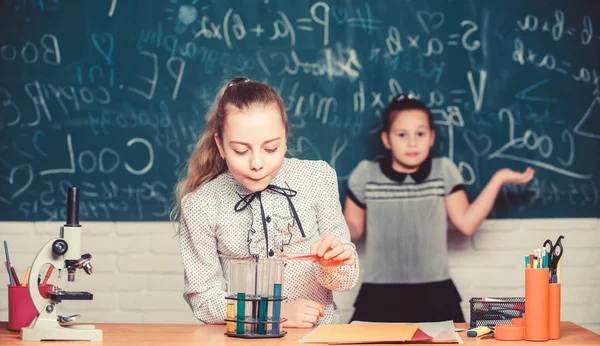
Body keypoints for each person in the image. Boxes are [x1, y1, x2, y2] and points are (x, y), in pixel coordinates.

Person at [173, 77, 359, 328]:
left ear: (285, 139)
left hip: (317, 338)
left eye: (270, 148)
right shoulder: (201, 204)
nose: (257, 164)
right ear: (220, 145)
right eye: (241, 151)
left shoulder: (318, 178)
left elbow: (345, 282)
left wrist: (334, 264)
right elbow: (202, 299)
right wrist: (272, 314)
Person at [344, 94, 535, 323]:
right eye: (402, 134)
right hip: (379, 294)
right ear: (386, 139)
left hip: (436, 294)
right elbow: (353, 230)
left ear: (432, 137)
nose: (412, 143)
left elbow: (466, 224)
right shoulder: (365, 174)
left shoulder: (443, 171)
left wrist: (499, 179)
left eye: (420, 134)